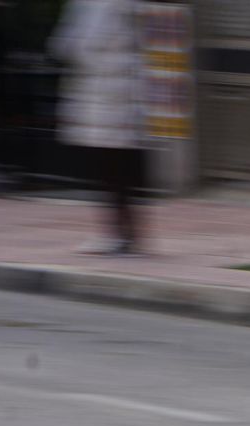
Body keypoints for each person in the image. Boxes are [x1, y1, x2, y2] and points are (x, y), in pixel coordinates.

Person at [48, 0, 144, 256]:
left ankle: (119, 234)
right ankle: (126, 233)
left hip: (107, 94)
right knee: (115, 168)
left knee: (109, 167)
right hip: (111, 92)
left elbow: (79, 44)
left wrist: (67, 45)